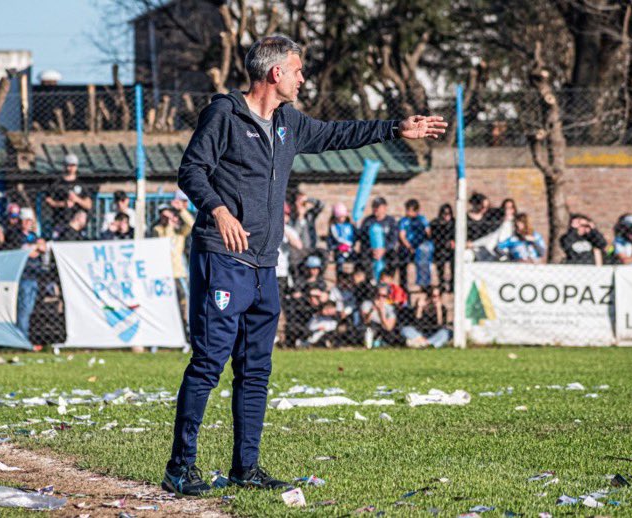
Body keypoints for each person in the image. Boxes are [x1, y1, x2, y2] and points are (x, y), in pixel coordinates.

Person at [167, 34, 446, 496]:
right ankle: (181, 466)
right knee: (209, 363)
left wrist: (397, 128)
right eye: (298, 70)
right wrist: (218, 209)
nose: (303, 78)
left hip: (264, 264)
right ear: (275, 73)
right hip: (222, 256)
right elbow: (191, 170)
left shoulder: (288, 122)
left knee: (256, 368)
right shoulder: (224, 114)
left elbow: (339, 134)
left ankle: (246, 467)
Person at [10, 209, 47, 340]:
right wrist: (35, 248)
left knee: (30, 309)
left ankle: (25, 336)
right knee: (24, 309)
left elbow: (43, 248)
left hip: (34, 276)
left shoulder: (33, 236)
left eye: (30, 221)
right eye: (25, 220)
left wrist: (35, 247)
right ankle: (22, 338)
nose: (28, 223)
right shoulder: (16, 235)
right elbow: (28, 253)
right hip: (24, 276)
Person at [45, 153, 92, 232]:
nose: (70, 168)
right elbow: (48, 200)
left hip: (77, 224)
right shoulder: (57, 184)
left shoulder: (81, 184)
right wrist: (63, 204)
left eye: (73, 165)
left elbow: (88, 205)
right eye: (68, 165)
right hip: (60, 221)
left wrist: (77, 199)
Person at [359, 197, 398, 283]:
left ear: (384, 207)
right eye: (373, 206)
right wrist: (372, 249)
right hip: (371, 250)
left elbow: (393, 239)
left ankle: (387, 279)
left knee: (394, 258)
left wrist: (384, 249)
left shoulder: (391, 221)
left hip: (386, 250)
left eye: (378, 207)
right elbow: (363, 238)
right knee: (363, 258)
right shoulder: (368, 221)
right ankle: (370, 280)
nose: (375, 209)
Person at [398, 199, 433, 289]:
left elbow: (428, 232)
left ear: (416, 211)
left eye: (410, 210)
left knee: (424, 251)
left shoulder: (422, 219)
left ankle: (424, 283)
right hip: (408, 246)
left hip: (420, 245)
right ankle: (403, 284)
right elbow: (402, 236)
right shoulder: (404, 221)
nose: (407, 212)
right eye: (407, 210)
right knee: (402, 257)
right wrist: (409, 247)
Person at [360, 283, 400, 348]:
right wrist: (372, 310)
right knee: (369, 329)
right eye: (378, 295)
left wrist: (381, 312)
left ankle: (380, 342)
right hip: (371, 329)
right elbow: (366, 321)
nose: (380, 298)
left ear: (387, 296)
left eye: (384, 296)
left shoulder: (390, 308)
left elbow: (388, 327)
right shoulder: (367, 304)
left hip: (385, 330)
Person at [429, 203, 455, 291]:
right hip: (440, 247)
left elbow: (456, 235)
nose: (447, 216)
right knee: (440, 257)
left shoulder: (454, 223)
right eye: (445, 213)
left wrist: (453, 241)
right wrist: (444, 242)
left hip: (452, 249)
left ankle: (453, 283)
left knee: (454, 259)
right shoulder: (435, 223)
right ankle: (441, 282)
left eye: (449, 213)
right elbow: (434, 237)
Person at [327, 203, 356, 276]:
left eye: (343, 217)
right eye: (340, 217)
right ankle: (340, 277)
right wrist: (333, 248)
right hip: (339, 249)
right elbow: (330, 240)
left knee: (357, 260)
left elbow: (354, 237)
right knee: (340, 261)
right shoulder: (333, 227)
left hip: (349, 249)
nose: (342, 219)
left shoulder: (350, 226)